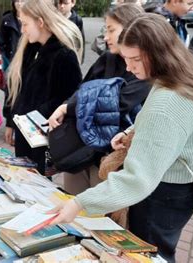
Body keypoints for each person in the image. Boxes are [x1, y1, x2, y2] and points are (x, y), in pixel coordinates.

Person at [51, 13, 193, 262]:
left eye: (135, 59)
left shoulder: (168, 101)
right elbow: (171, 125)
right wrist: (131, 131)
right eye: (126, 59)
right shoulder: (179, 77)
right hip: (176, 188)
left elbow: (138, 179)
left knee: (147, 255)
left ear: (159, 53)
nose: (129, 67)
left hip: (162, 192)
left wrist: (79, 203)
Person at [48, 3, 150, 194]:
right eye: (105, 29)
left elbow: (117, 103)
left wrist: (67, 108)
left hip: (110, 156)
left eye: (111, 30)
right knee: (71, 201)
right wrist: (66, 105)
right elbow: (82, 89)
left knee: (99, 215)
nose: (105, 36)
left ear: (131, 29)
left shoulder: (144, 68)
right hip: (79, 148)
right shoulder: (107, 59)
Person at [3, 0, 83, 174]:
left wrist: (36, 114)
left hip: (44, 135)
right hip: (25, 131)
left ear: (40, 22)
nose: (22, 30)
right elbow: (17, 88)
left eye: (25, 24)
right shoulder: (31, 49)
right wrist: (12, 119)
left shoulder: (64, 55)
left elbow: (70, 98)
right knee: (23, 177)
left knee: (40, 182)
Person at [0, 0, 22, 71]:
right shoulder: (7, 19)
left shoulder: (31, 19)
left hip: (25, 59)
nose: (19, 4)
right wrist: (4, 59)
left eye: (22, 1)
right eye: (17, 1)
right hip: (9, 60)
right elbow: (0, 43)